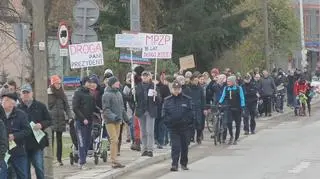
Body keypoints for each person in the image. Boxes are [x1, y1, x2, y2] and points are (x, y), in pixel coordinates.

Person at [18, 84, 52, 179]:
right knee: (25, 170)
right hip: (23, 144)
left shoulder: (40, 106)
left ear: (32, 93)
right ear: (20, 95)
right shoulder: (17, 108)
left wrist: (41, 125)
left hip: (37, 143)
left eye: (27, 92)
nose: (25, 95)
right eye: (23, 93)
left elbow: (49, 120)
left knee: (39, 167)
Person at [162, 80, 194, 172]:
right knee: (175, 146)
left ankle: (184, 163)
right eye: (174, 89)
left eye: (178, 89)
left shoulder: (187, 99)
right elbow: (164, 113)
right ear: (172, 90)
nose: (176, 91)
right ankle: (174, 164)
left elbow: (191, 113)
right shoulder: (167, 100)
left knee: (184, 146)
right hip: (173, 128)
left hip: (185, 127)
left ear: (180, 89)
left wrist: (188, 123)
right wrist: (168, 123)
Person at [1, 93, 31, 179]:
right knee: (3, 175)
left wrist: (15, 136)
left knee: (22, 175)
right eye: (3, 101)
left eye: (7, 101)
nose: (3, 103)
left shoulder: (21, 114)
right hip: (2, 152)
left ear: (13, 104)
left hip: (18, 150)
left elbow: (27, 130)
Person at [72, 77, 98, 170]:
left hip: (90, 121)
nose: (90, 84)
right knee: (81, 142)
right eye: (88, 82)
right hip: (80, 122)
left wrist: (100, 111)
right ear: (84, 83)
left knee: (87, 142)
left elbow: (93, 106)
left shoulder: (90, 94)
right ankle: (82, 162)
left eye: (90, 82)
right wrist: (83, 119)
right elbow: (75, 108)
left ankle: (83, 159)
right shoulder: (78, 93)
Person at [102, 76, 128, 168]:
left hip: (118, 120)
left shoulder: (119, 94)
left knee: (116, 141)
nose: (118, 83)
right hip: (110, 121)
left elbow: (122, 108)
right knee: (114, 139)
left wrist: (126, 118)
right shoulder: (106, 94)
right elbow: (106, 109)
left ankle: (115, 159)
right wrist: (114, 117)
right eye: (116, 82)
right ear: (112, 84)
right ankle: (114, 160)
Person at [47, 75, 73, 166]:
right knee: (51, 140)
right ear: (53, 84)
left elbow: (67, 107)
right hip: (51, 120)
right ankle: (50, 159)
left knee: (59, 140)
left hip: (61, 119)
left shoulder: (62, 94)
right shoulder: (48, 94)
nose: (58, 85)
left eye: (59, 83)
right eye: (57, 83)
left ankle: (59, 159)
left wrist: (70, 116)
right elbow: (46, 107)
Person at [134, 71, 160, 157]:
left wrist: (156, 96)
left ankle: (150, 149)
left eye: (146, 76)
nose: (145, 77)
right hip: (141, 111)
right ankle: (144, 149)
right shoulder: (137, 86)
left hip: (150, 111)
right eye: (143, 76)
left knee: (150, 131)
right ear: (141, 77)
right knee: (143, 131)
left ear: (150, 77)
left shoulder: (154, 86)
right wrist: (133, 93)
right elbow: (133, 100)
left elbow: (159, 101)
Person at [219, 75, 245, 145]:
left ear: (233, 82)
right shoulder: (226, 88)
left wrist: (242, 106)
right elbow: (223, 96)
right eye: (227, 81)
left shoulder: (238, 88)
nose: (228, 82)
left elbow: (242, 98)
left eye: (229, 81)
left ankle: (236, 138)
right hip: (229, 108)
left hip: (237, 108)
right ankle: (231, 135)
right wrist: (220, 102)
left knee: (237, 124)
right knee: (229, 123)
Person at [186, 73, 205, 144]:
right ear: (191, 81)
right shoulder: (189, 88)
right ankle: (192, 137)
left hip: (198, 107)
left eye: (197, 80)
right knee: (191, 123)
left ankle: (198, 136)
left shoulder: (200, 88)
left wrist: (204, 108)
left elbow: (203, 98)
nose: (196, 82)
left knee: (199, 123)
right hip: (191, 107)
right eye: (195, 80)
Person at [155, 72, 171, 149]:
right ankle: (155, 140)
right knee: (155, 126)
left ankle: (161, 141)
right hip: (153, 110)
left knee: (161, 126)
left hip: (162, 109)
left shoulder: (164, 87)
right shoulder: (151, 87)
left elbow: (167, 98)